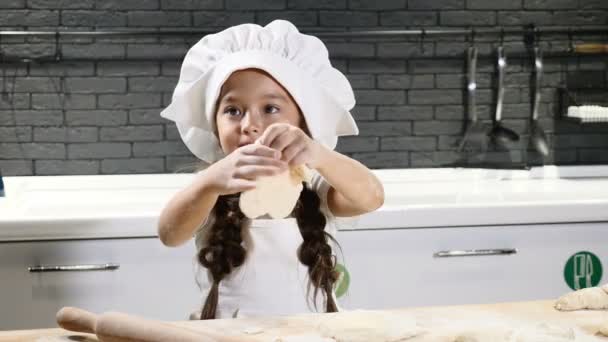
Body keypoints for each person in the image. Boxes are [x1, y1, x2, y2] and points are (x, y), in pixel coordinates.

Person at [157, 20, 384, 320]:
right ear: (214, 125)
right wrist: (208, 183)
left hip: (308, 331)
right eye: (232, 110)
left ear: (302, 122)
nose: (249, 124)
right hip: (229, 331)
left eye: (270, 108)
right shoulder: (215, 187)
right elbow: (169, 235)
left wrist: (318, 155)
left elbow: (371, 197)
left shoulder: (314, 182)